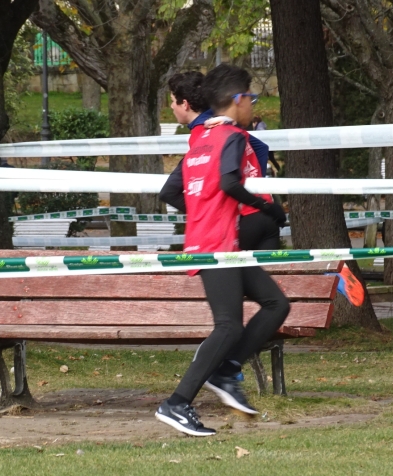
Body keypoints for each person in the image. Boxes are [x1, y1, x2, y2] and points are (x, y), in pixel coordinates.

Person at [155, 64, 290, 437]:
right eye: (252, 98)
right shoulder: (230, 137)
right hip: (217, 245)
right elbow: (230, 181)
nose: (253, 106)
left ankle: (227, 371)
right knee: (228, 326)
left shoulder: (200, 142)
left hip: (214, 242)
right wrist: (270, 208)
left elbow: (171, 191)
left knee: (277, 304)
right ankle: (178, 402)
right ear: (238, 100)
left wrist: (200, 210)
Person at [161, 71, 283, 251]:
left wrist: (206, 210)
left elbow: (169, 192)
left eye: (173, 100)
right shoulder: (225, 124)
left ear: (185, 104)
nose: (171, 106)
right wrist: (255, 186)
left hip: (237, 221)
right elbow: (260, 148)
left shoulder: (204, 134)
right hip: (260, 215)